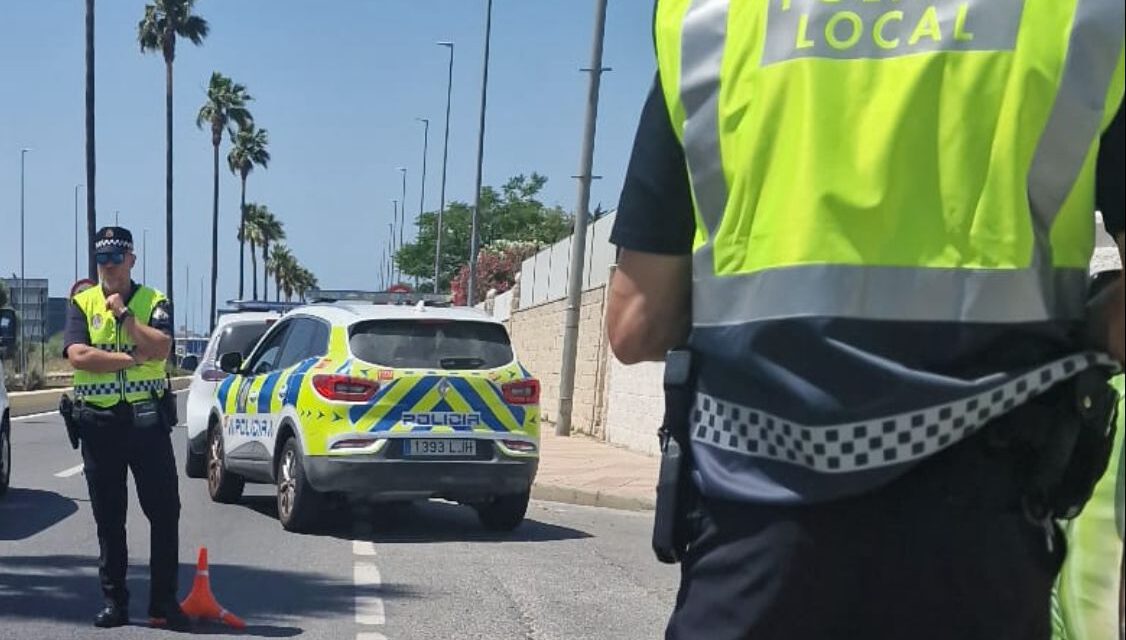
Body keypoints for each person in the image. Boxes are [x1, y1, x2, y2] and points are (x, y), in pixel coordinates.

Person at [606, 2, 1125, 639]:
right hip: (984, 537)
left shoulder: (707, 18)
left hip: (757, 542)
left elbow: (637, 323)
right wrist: (1094, 323)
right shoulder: (1083, 16)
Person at [63, 226, 189, 630]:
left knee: (165, 512)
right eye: (103, 259)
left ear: (131, 259)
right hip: (99, 426)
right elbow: (79, 356)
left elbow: (163, 346)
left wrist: (126, 317)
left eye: (117, 258)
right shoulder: (81, 303)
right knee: (109, 518)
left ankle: (163, 602)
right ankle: (115, 603)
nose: (109, 267)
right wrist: (134, 357)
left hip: (147, 424)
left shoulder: (154, 301)